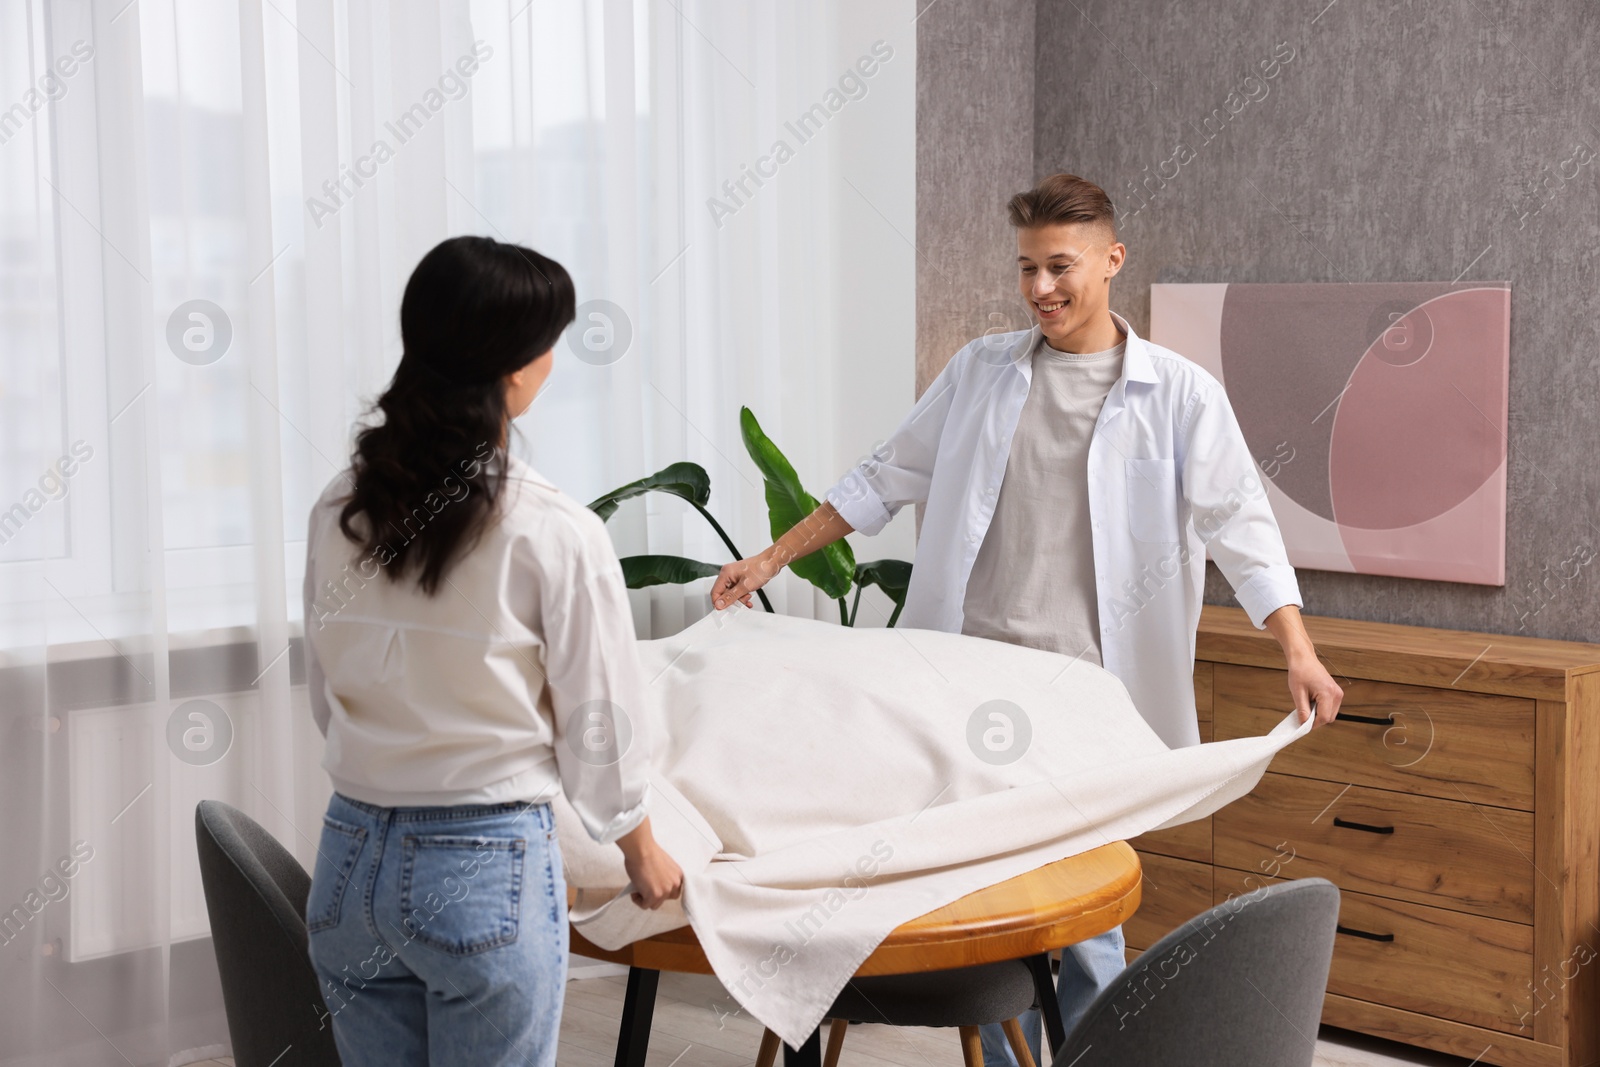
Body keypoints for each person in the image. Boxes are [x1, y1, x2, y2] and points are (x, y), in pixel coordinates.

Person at [709, 173, 1345, 1065]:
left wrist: (1299, 652)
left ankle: (1085, 1056)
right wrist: (770, 558)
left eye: (1060, 266)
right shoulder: (979, 370)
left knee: (1082, 917)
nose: (1041, 288)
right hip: (969, 688)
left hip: (1094, 702)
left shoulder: (1180, 394)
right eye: (1026, 269)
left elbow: (1242, 529)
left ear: (1112, 260)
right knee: (993, 901)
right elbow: (881, 477)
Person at [302, 235, 682, 1067]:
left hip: (347, 860)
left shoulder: (340, 506)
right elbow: (599, 722)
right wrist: (640, 849)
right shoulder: (555, 530)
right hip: (479, 871)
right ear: (516, 369)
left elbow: (324, 688)